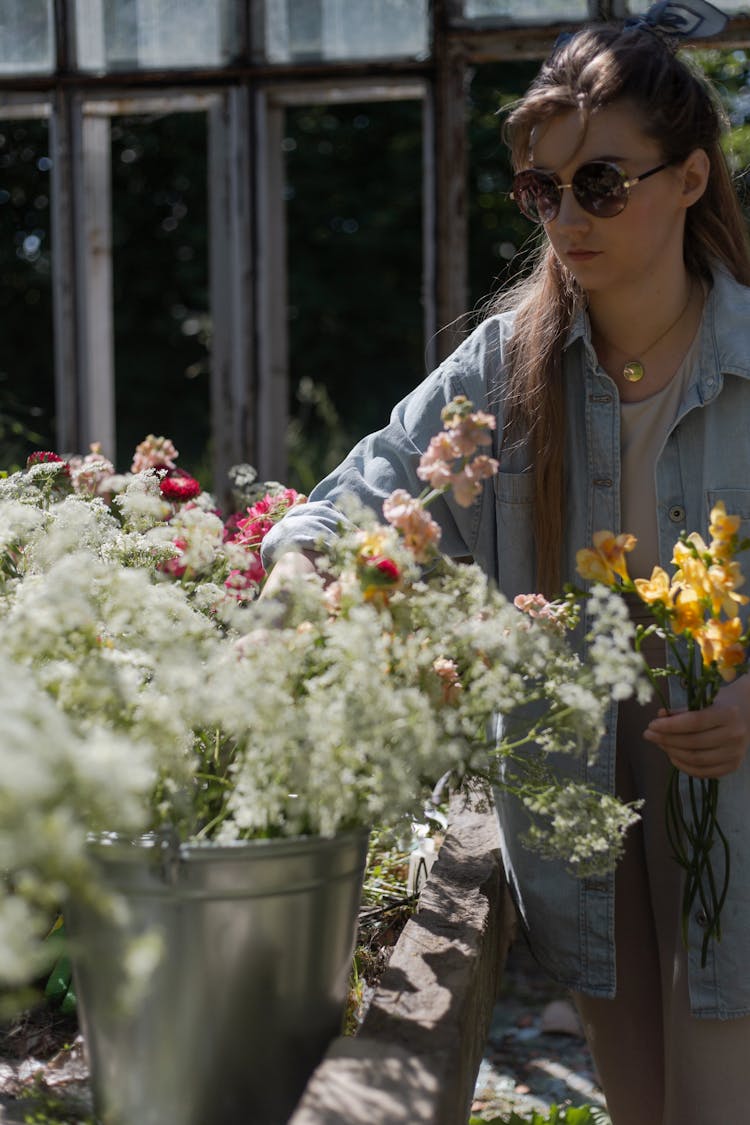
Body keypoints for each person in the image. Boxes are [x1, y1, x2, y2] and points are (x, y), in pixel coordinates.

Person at [261, 3, 750, 1121]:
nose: (566, 217)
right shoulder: (504, 365)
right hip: (579, 804)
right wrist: (299, 573)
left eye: (603, 184)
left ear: (687, 179)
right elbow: (365, 487)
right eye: (543, 190)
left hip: (739, 796)